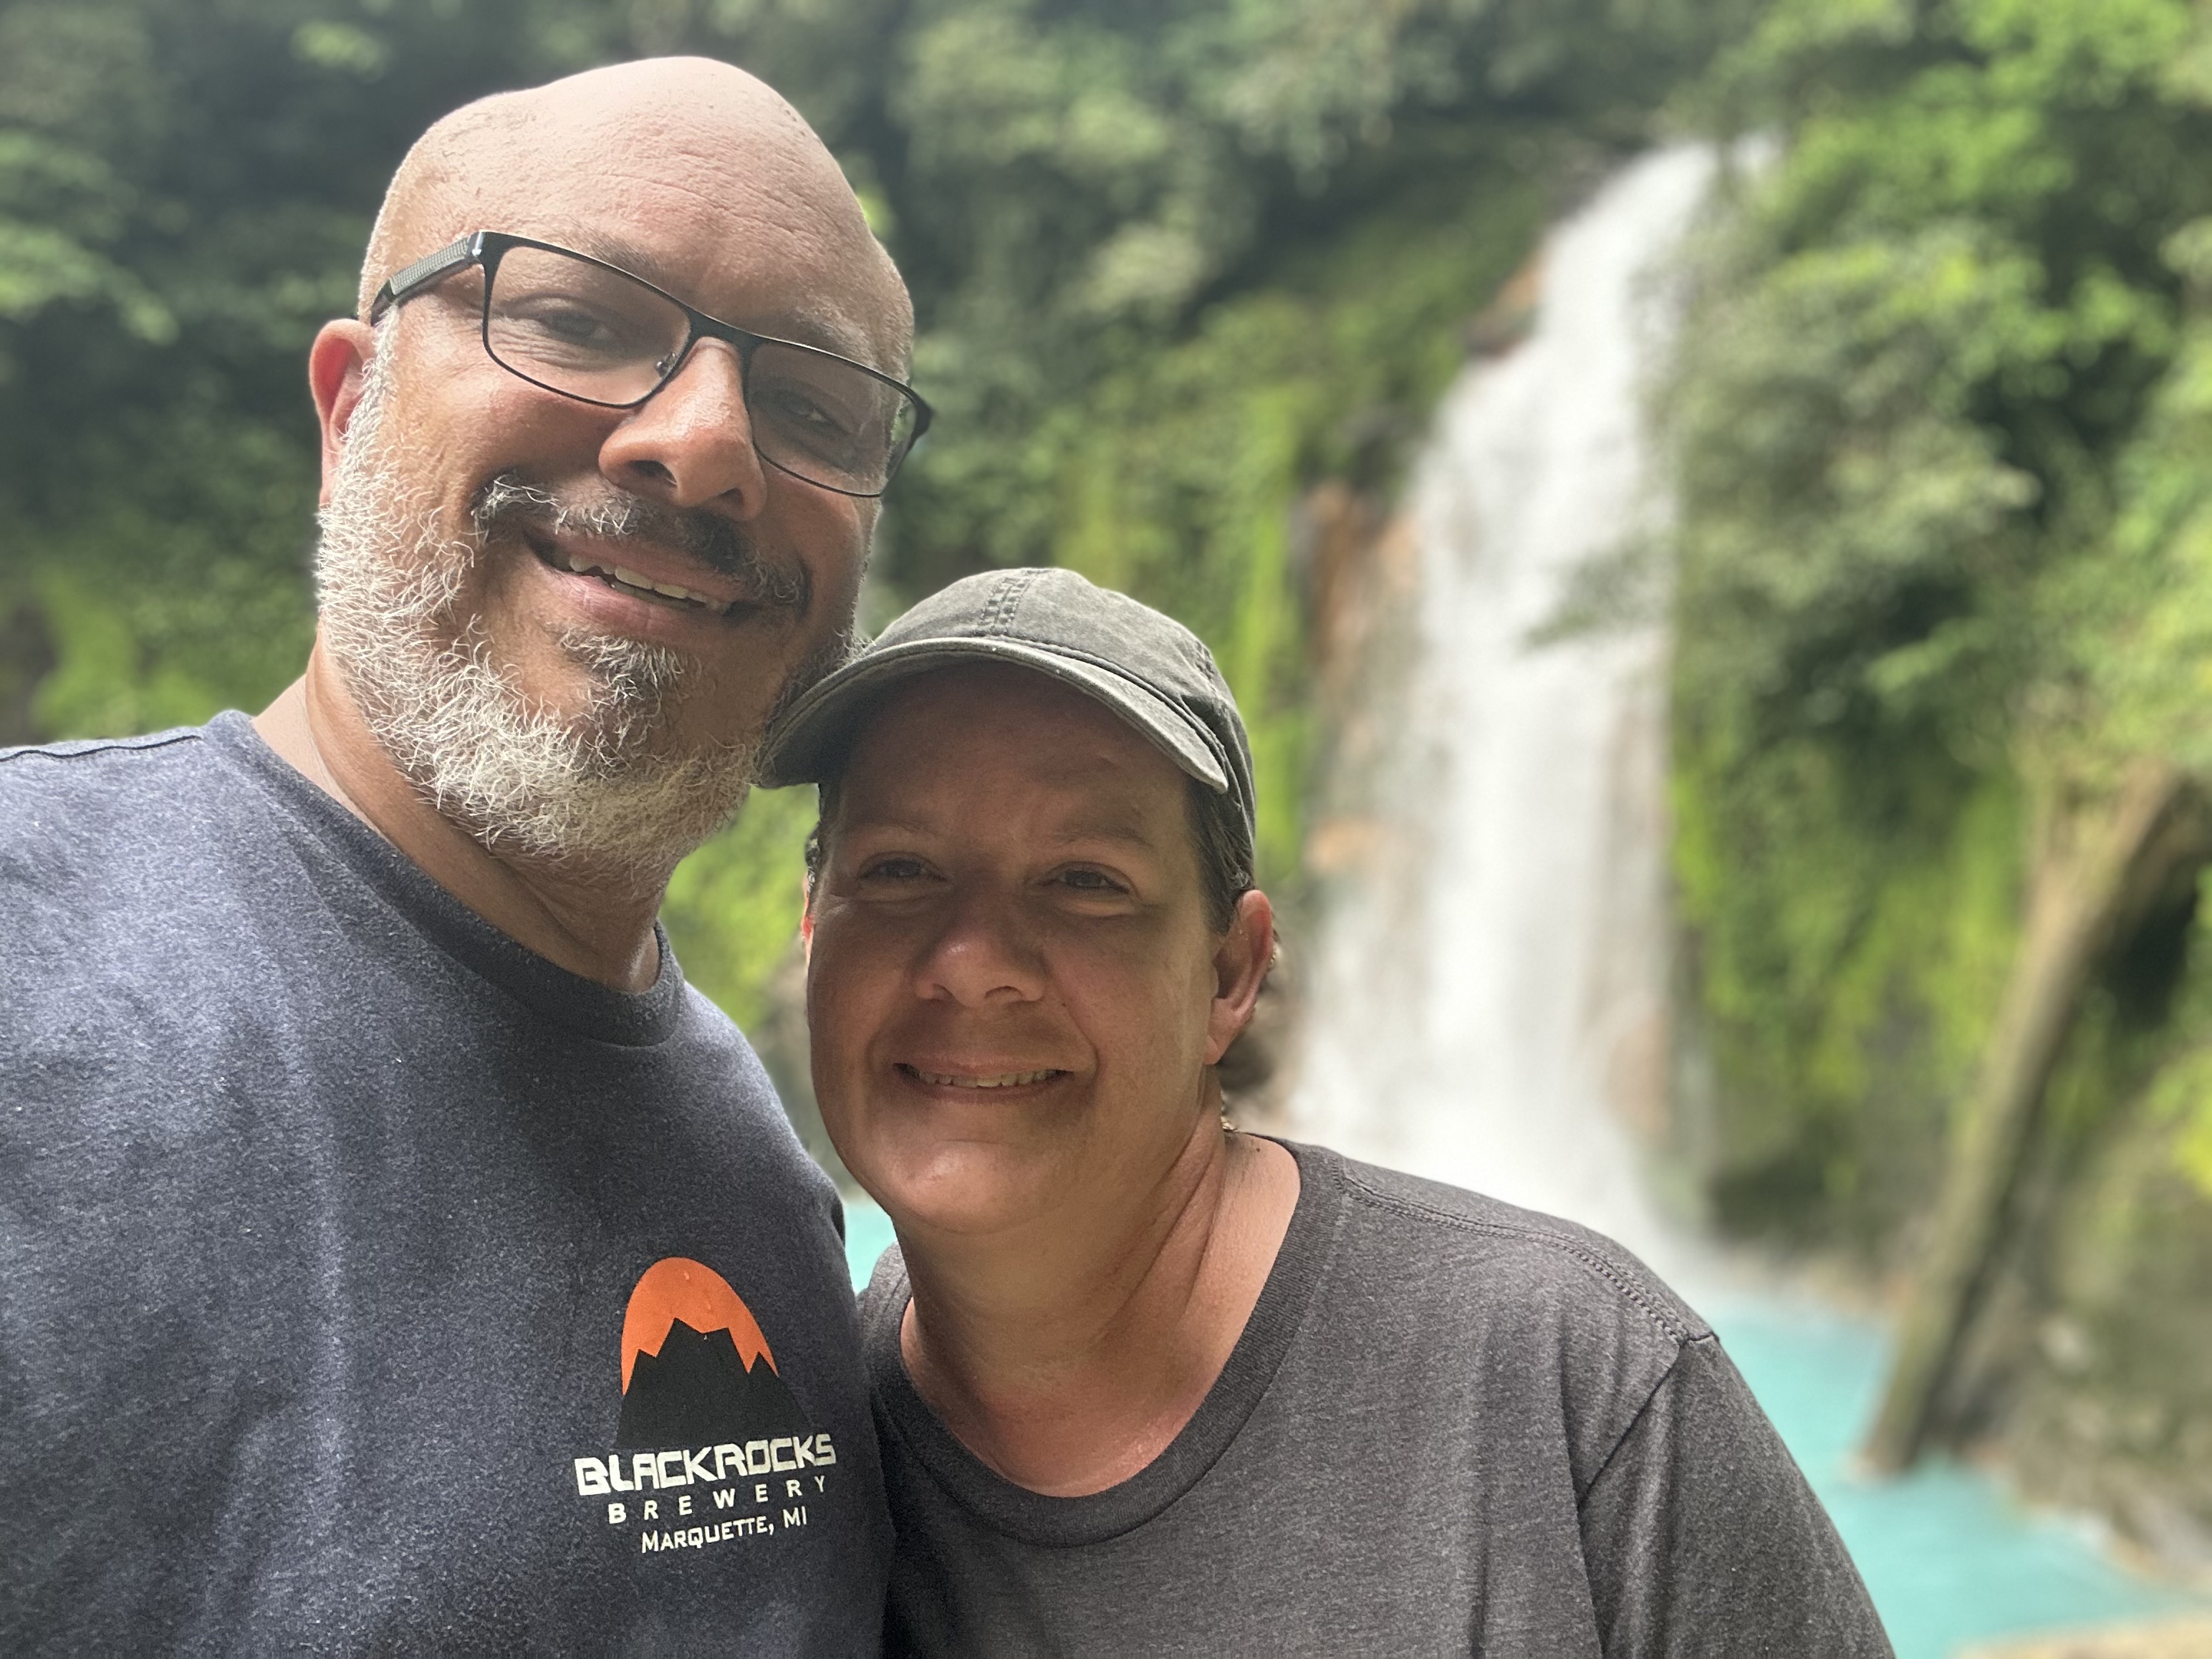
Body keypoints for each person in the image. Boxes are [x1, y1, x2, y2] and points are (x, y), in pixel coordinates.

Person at [0, 58, 923, 1653]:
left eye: (814, 407)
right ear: (350, 406)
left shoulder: (776, 1176)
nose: (704, 445)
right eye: (576, 317)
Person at [763, 566, 1895, 1656]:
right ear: (814, 922)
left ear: (1229, 976)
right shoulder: (770, 1458)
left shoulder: (1579, 1389)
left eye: (1085, 880)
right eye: (902, 870)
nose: (973, 964)